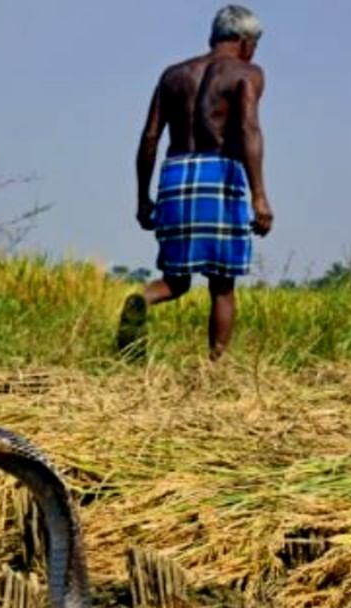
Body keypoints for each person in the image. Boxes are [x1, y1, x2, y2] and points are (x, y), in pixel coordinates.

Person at [119, 4, 273, 361]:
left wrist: (143, 198)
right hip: (219, 174)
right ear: (245, 40)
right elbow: (249, 128)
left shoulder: (173, 75)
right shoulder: (246, 72)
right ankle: (214, 369)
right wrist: (260, 197)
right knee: (222, 285)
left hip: (174, 175)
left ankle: (142, 299)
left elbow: (149, 138)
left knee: (175, 279)